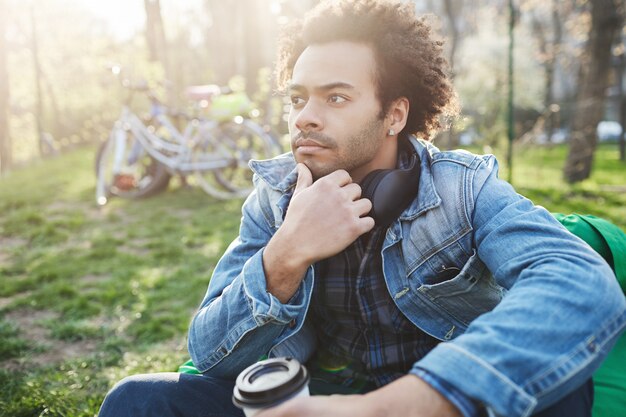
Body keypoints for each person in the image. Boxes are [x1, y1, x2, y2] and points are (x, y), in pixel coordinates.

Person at [98, 1, 626, 416]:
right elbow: (211, 355)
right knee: (138, 400)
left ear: (395, 114)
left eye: (336, 98)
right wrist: (284, 256)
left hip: (441, 402)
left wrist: (418, 400)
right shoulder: (275, 197)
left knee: (557, 393)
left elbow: (581, 280)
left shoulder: (465, 188)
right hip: (325, 401)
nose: (305, 117)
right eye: (298, 98)